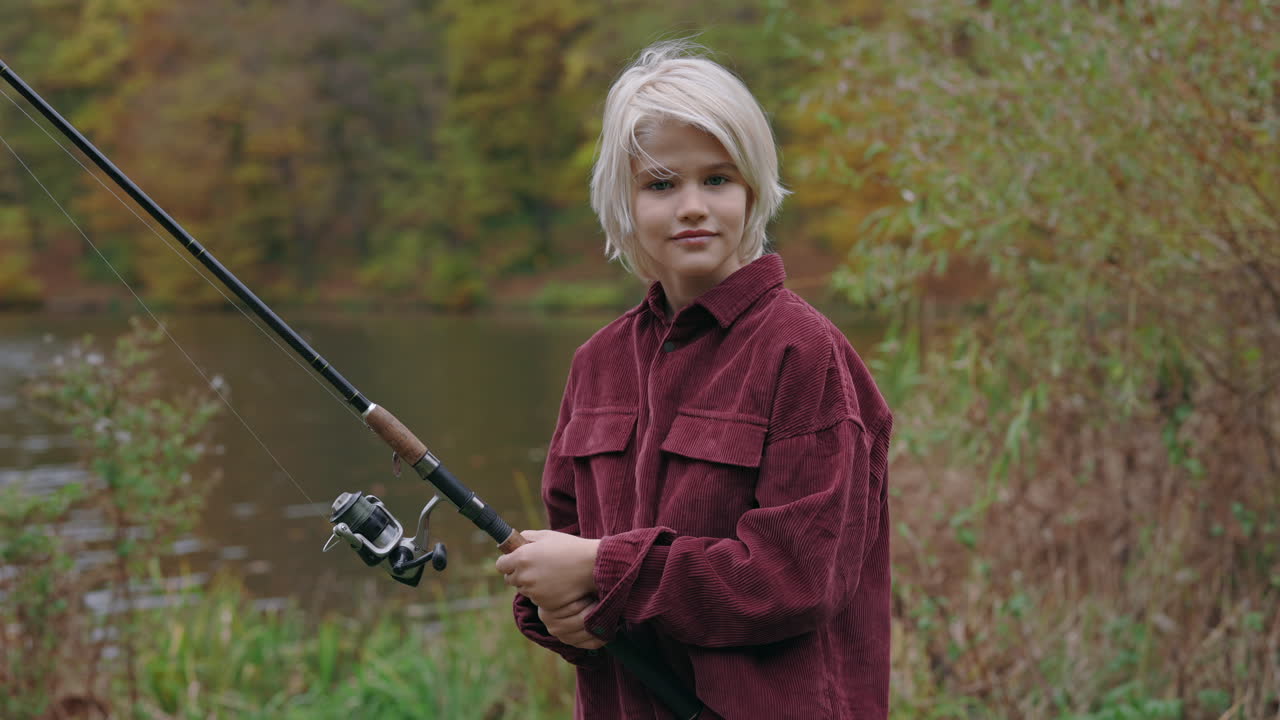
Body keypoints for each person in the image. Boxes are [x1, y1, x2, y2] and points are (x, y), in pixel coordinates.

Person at [494, 40, 893, 720]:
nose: (692, 206)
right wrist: (553, 610)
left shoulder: (806, 354)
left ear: (753, 190)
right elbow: (575, 555)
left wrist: (604, 570)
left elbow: (798, 578)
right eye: (660, 184)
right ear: (622, 201)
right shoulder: (597, 364)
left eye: (717, 179)